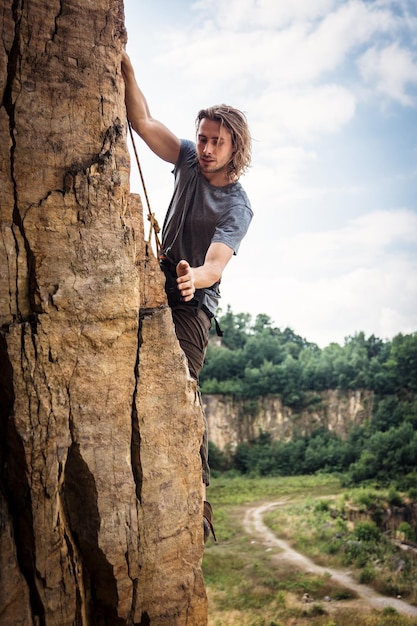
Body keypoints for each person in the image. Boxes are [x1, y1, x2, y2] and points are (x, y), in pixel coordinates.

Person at [121, 51, 253, 542]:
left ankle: (197, 495)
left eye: (217, 141)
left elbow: (216, 266)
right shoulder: (188, 162)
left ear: (234, 146)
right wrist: (128, 70)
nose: (206, 148)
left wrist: (189, 277)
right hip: (160, 277)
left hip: (194, 304)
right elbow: (142, 120)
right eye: (202, 138)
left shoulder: (237, 206)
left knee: (183, 391)